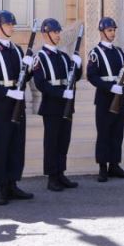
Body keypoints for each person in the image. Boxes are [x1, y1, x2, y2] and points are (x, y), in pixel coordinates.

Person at [0, 10, 34, 205]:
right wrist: (6, 92)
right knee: (2, 145)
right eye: (8, 24)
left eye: (13, 24)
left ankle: (13, 183)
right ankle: (2, 187)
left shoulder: (18, 50)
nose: (12, 27)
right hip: (2, 103)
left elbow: (24, 77)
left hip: (18, 101)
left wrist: (30, 69)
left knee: (17, 145)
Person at [33, 18, 82, 191]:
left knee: (64, 140)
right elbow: (40, 83)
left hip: (66, 104)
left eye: (58, 31)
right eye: (55, 32)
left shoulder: (62, 56)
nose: (58, 35)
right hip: (52, 104)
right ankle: (52, 177)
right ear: (46, 34)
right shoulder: (40, 57)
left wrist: (78, 65)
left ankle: (61, 173)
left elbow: (73, 76)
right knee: (52, 141)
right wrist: (61, 93)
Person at [87, 17, 124, 182]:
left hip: (119, 98)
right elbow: (92, 77)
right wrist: (109, 87)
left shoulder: (119, 52)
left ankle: (114, 165)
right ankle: (102, 167)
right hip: (104, 98)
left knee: (117, 133)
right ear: (102, 32)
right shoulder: (95, 53)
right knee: (104, 133)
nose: (112, 33)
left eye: (114, 30)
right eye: (109, 30)